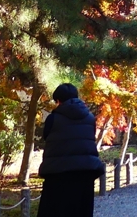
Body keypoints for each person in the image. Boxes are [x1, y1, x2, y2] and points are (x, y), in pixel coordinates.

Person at [36, 83, 104, 217]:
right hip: (86, 171)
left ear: (58, 101)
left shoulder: (53, 118)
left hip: (59, 172)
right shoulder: (90, 118)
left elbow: (46, 136)